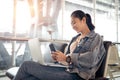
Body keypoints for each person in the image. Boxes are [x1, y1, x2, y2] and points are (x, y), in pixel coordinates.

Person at [13, 10, 105, 80]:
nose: (72, 26)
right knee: (29, 78)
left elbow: (91, 60)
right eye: (71, 24)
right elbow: (67, 61)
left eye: (74, 22)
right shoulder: (74, 38)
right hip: (67, 69)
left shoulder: (95, 37)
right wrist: (60, 58)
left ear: (83, 20)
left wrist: (66, 58)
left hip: (79, 75)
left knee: (26, 65)